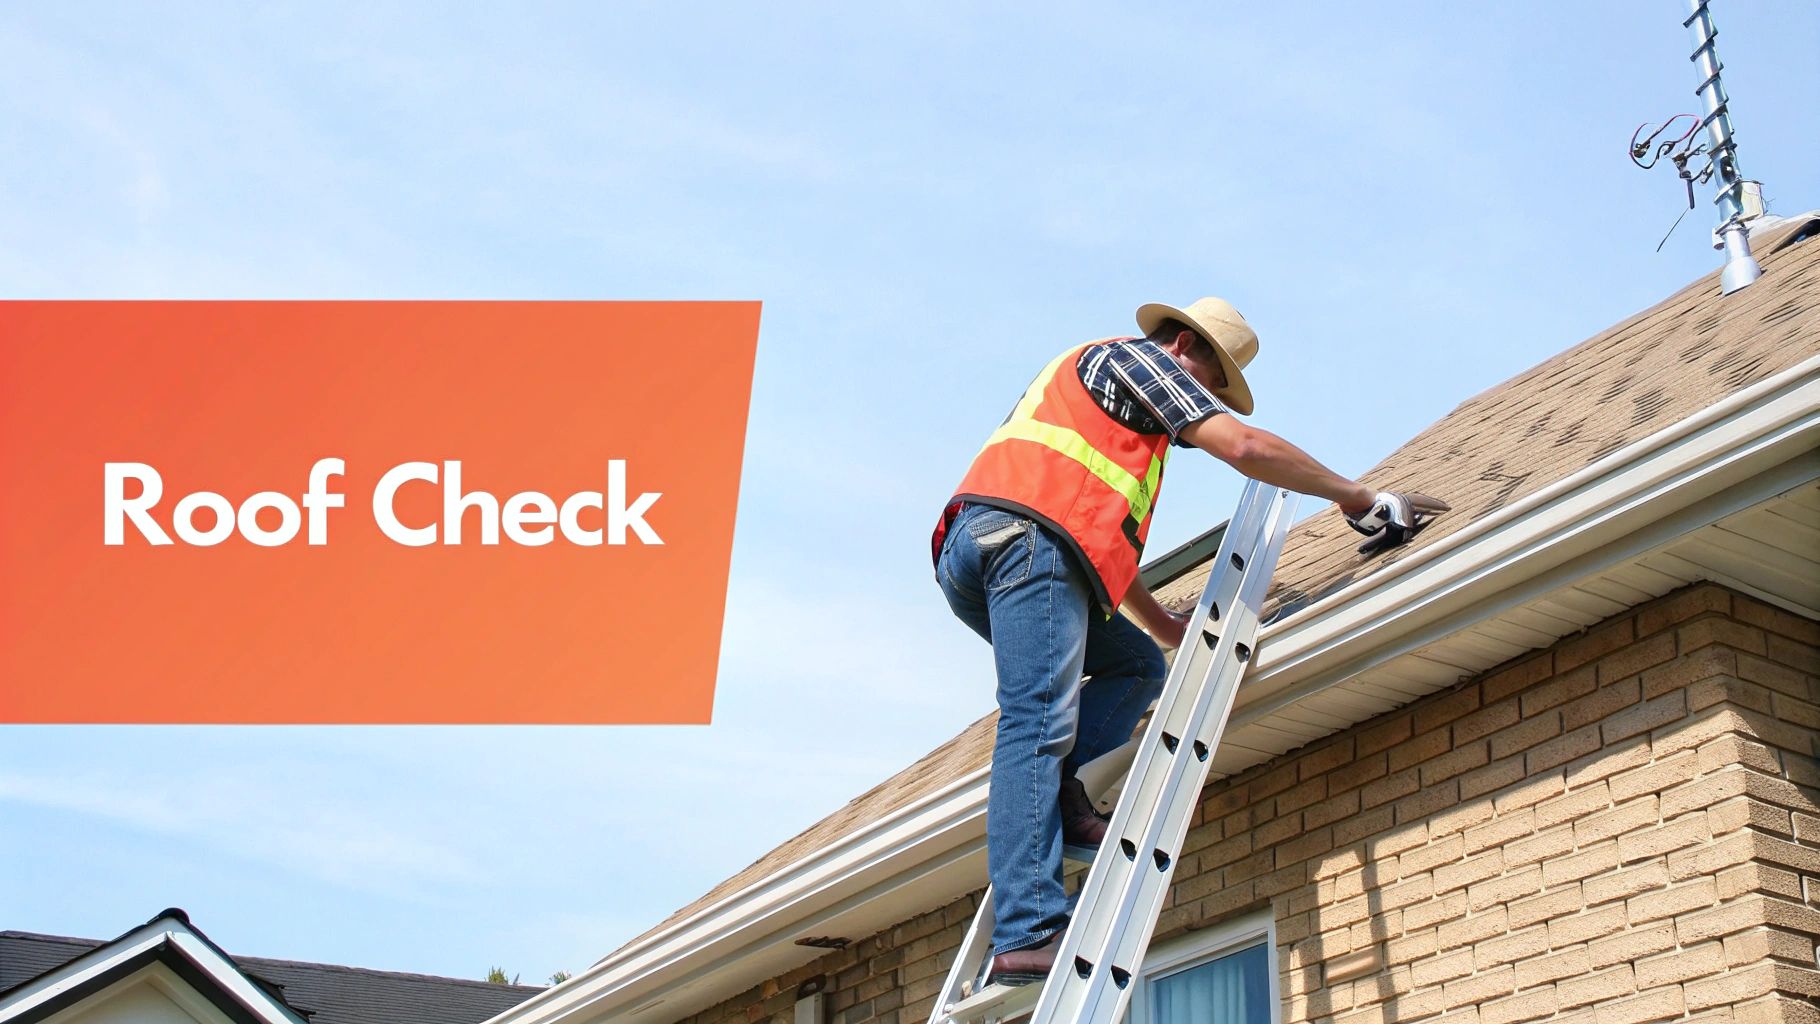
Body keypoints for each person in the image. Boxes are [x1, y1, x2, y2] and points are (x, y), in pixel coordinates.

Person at [929, 296, 1446, 984]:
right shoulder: (1140, 360)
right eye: (1209, 382)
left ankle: (1059, 797)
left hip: (995, 548)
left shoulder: (1102, 404)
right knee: (1036, 725)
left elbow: (1093, 538)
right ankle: (1028, 932)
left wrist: (1164, 626)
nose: (1203, 398)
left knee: (1138, 668)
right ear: (1186, 350)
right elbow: (1245, 446)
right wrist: (1358, 498)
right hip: (1028, 546)